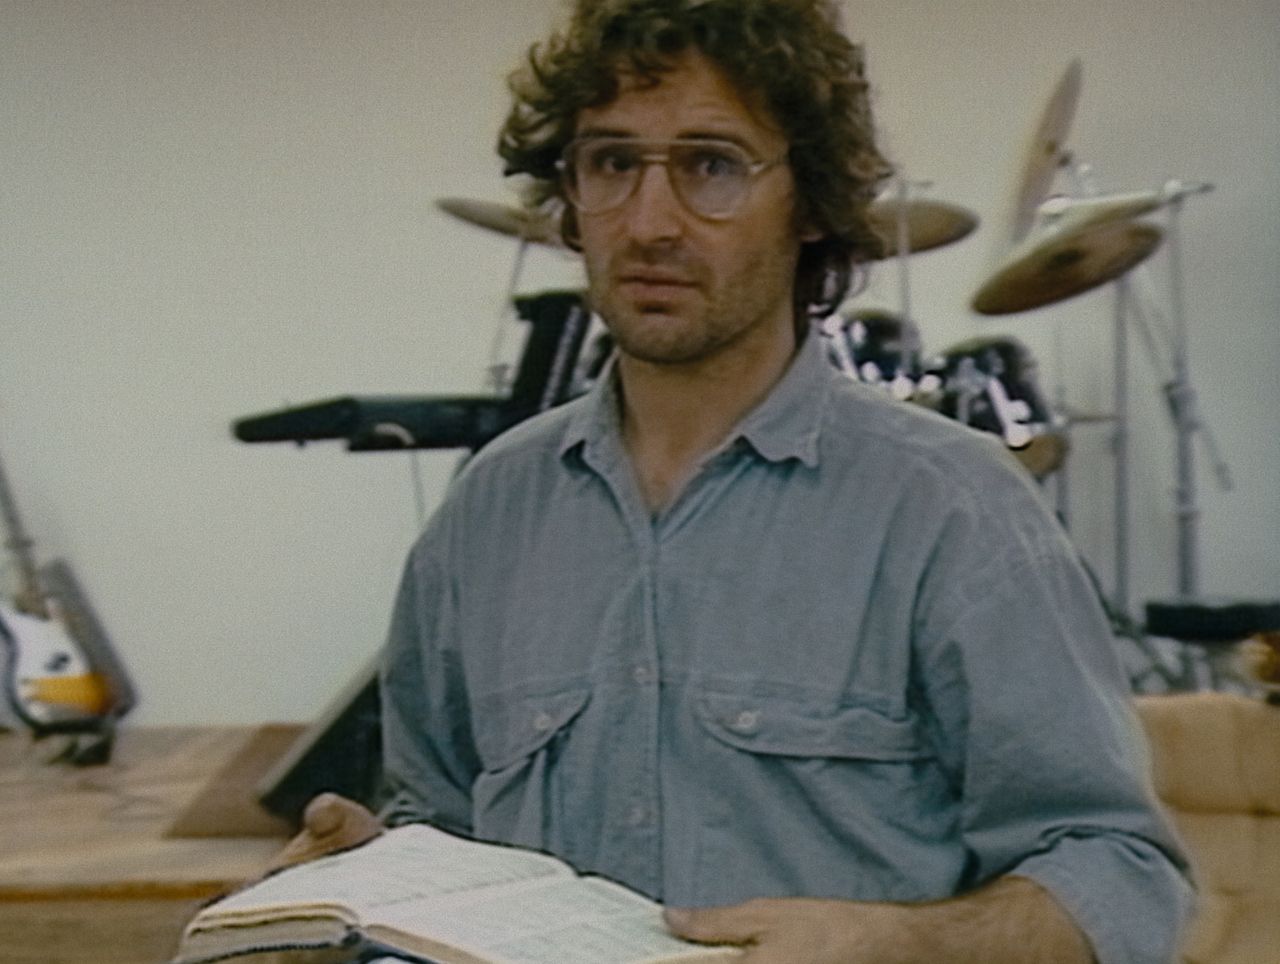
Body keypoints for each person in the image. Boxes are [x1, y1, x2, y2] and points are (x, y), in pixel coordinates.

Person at [281, 1, 1193, 961]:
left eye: (711, 165)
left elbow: (1122, 880)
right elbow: (441, 836)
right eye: (612, 163)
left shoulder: (951, 509)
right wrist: (367, 883)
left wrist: (900, 945)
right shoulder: (487, 514)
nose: (648, 223)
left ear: (810, 203)